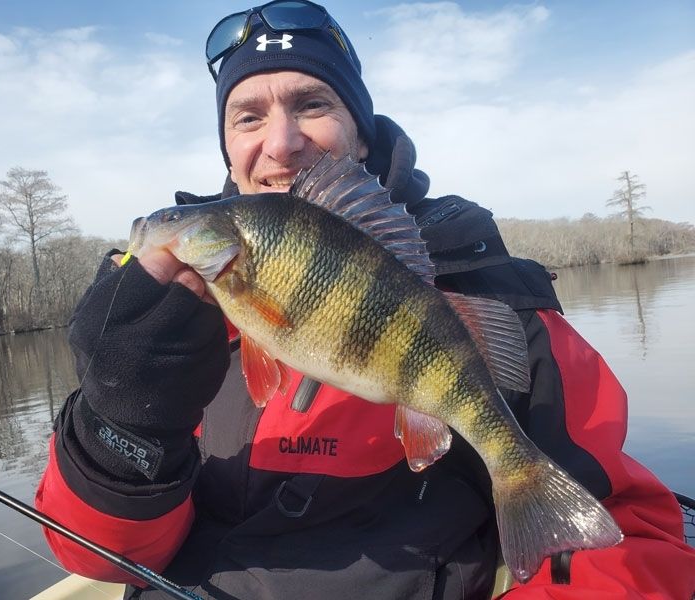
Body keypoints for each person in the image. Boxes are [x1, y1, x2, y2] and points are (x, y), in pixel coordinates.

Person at [35, 2, 695, 598]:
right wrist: (121, 418)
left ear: (361, 131)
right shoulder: (160, 323)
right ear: (229, 146)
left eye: (313, 104)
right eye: (249, 116)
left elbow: (631, 545)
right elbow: (100, 556)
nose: (281, 141)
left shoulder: (492, 302)